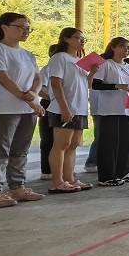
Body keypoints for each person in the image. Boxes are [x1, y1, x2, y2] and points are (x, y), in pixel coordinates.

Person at [0, 12, 46, 207]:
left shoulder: (27, 54)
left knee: (20, 150)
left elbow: (37, 78)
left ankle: (17, 186)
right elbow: (3, 78)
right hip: (4, 108)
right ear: (4, 27)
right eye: (20, 27)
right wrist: (26, 98)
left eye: (28, 28)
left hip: (28, 108)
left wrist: (33, 93)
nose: (25, 31)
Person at [44, 28, 94, 194]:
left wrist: (92, 73)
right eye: (78, 37)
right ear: (66, 39)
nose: (82, 41)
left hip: (79, 107)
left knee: (73, 145)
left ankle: (70, 179)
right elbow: (56, 84)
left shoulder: (80, 61)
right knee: (61, 144)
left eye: (83, 38)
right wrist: (64, 108)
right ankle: (57, 182)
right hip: (63, 107)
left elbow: (86, 84)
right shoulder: (59, 57)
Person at [92, 37, 129, 186]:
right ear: (113, 47)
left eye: (128, 47)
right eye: (123, 47)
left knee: (124, 142)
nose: (126, 50)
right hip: (110, 109)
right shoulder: (106, 64)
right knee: (109, 143)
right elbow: (96, 85)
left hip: (126, 109)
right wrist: (116, 86)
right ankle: (106, 176)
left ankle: (122, 171)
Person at [37, 45, 56, 181]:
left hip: (61, 104)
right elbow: (40, 90)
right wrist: (54, 99)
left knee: (61, 139)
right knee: (48, 138)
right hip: (49, 103)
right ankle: (47, 170)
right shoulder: (47, 69)